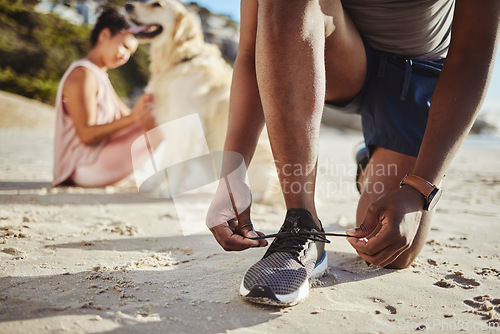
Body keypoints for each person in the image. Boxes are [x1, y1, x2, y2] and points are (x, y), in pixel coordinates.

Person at [206, 0, 500, 306]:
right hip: (337, 52)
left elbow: (472, 55)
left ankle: (371, 160)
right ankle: (302, 224)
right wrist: (232, 177)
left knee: (391, 251)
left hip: (418, 69)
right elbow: (253, 51)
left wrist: (420, 187)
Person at [53, 5, 157, 188]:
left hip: (96, 162)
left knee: (162, 116)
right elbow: (86, 134)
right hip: (83, 167)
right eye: (124, 46)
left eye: (130, 54)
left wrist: (146, 109)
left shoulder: (99, 75)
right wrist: (136, 116)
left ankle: (167, 175)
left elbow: (130, 120)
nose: (125, 56)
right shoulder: (82, 74)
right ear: (104, 35)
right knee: (165, 124)